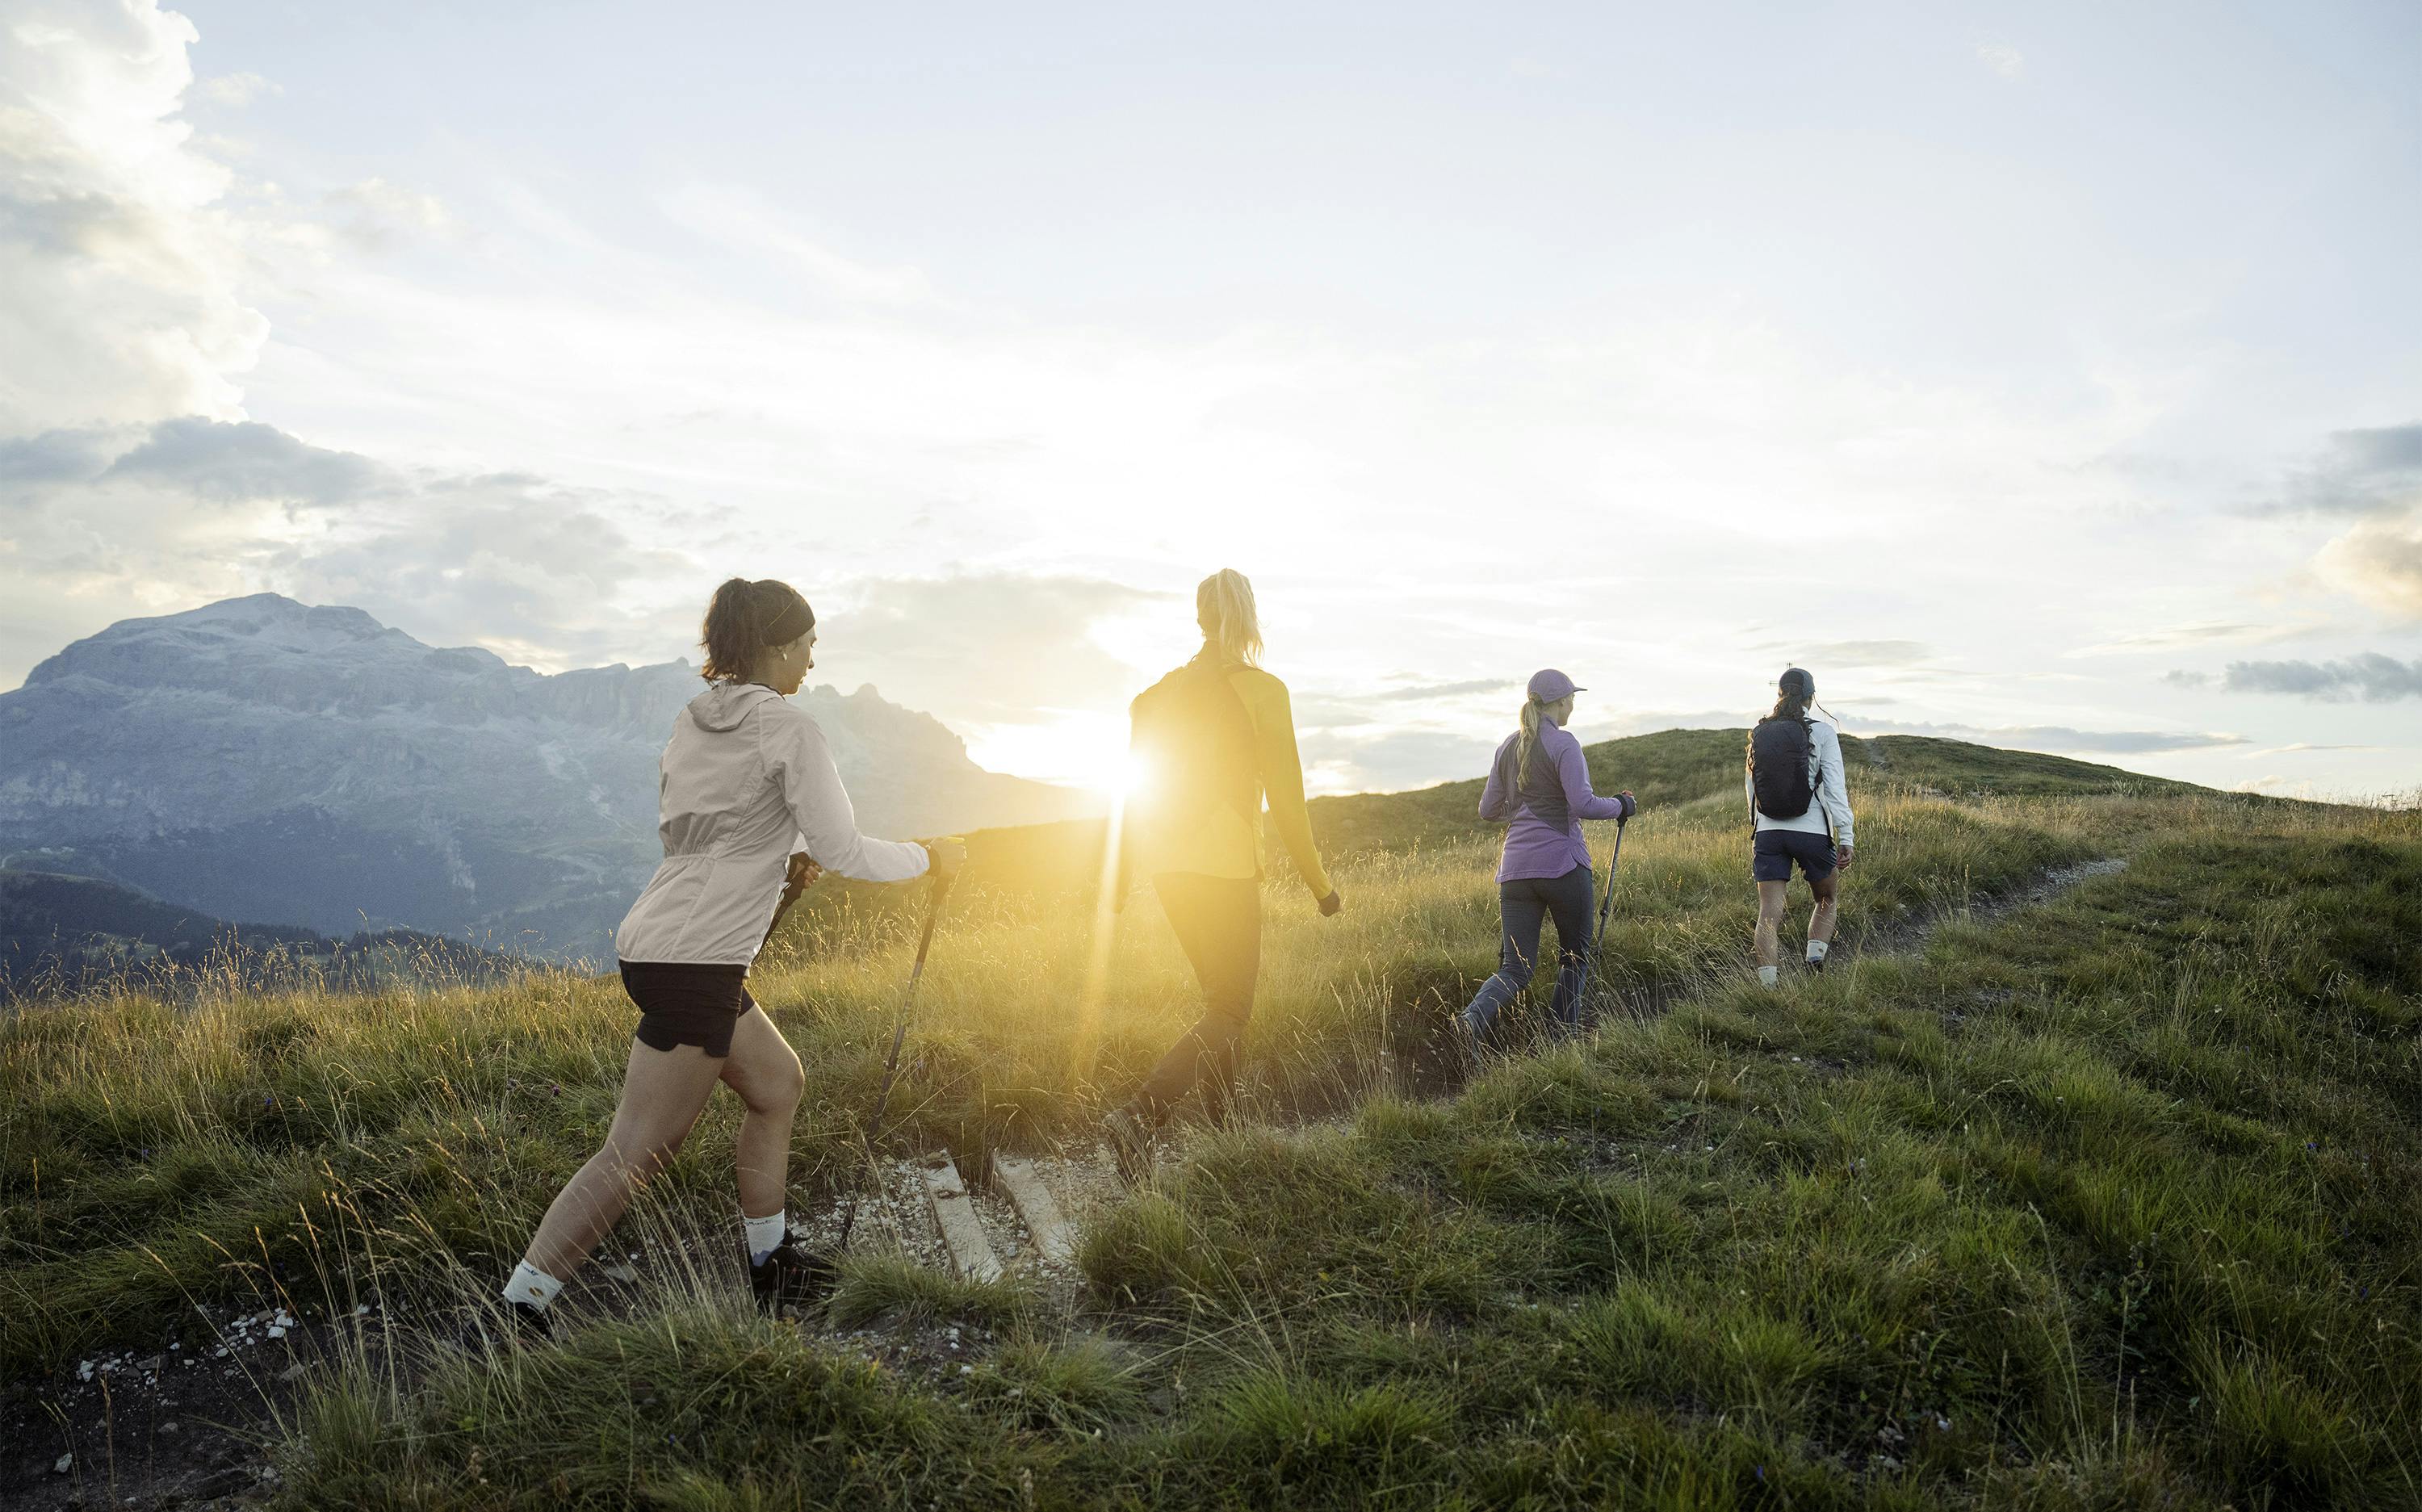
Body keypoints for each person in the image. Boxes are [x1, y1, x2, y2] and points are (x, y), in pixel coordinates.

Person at [500, 577, 962, 1329]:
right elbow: (847, 848)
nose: (813, 661)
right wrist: (930, 856)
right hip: (698, 963)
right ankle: (519, 1308)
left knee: (778, 1083)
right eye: (809, 644)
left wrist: (789, 852)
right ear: (779, 645)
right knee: (637, 1152)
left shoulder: (692, 722)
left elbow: (709, 829)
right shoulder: (790, 729)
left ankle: (771, 1263)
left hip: (659, 944)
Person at [1100, 568, 1340, 1183]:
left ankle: (1228, 1139)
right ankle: (1139, 1114)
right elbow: (1287, 803)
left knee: (1219, 1004)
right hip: (1225, 867)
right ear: (1248, 617)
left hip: (1168, 870)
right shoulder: (1264, 691)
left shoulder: (1152, 697)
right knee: (1232, 1007)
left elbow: (1133, 792)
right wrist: (1320, 886)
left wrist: (1123, 873)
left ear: (1200, 616)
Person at [1456, 670, 1636, 1063]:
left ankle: (1472, 1019)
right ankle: (1560, 1042)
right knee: (1574, 957)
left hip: (1515, 872)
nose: (1573, 704)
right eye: (1572, 698)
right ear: (1561, 702)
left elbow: (1487, 810)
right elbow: (1583, 806)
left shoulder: (1508, 746)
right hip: (1564, 866)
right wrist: (1622, 805)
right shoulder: (1564, 744)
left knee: (1515, 969)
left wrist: (1522, 810)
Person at [1745, 666, 1854, 987]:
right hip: (1812, 832)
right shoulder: (1822, 733)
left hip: (1768, 833)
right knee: (1826, 898)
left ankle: (1768, 986)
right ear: (1811, 697)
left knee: (1768, 914)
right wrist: (1845, 835)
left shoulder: (1760, 732)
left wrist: (1757, 830)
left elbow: (1752, 790)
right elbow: (1835, 787)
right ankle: (1814, 961)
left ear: (1779, 695)